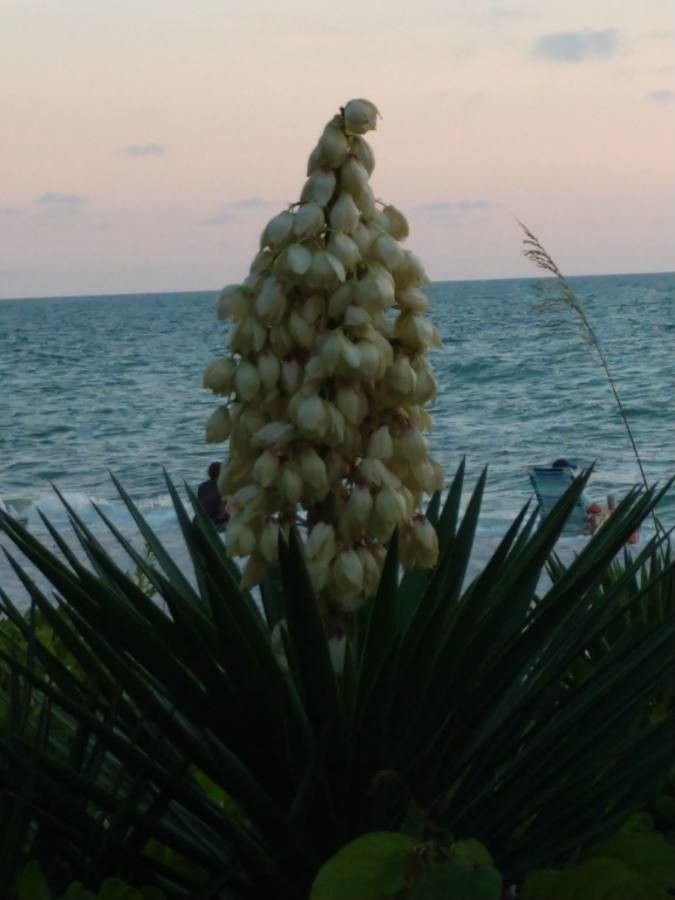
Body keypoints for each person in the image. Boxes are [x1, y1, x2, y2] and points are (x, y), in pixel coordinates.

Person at [197, 462, 229, 529]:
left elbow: (201, 503)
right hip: (220, 522)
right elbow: (223, 508)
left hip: (206, 520)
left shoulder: (202, 486)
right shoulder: (223, 486)